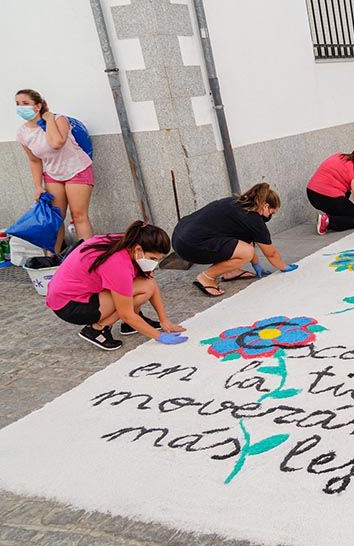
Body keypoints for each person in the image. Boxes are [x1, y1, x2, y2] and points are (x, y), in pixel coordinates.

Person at [45, 221, 187, 350]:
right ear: (138, 250)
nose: (155, 263)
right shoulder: (118, 264)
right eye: (153, 259)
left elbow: (150, 280)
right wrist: (158, 336)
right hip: (70, 305)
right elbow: (126, 314)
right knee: (142, 291)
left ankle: (133, 324)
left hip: (71, 293)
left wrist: (164, 321)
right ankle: (97, 329)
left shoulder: (128, 241)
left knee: (146, 283)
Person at [171, 183, 297, 297]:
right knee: (246, 252)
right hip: (190, 245)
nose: (270, 216)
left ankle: (230, 272)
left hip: (180, 236)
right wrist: (283, 266)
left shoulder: (236, 203)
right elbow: (271, 253)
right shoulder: (253, 219)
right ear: (265, 206)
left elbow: (245, 239)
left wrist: (256, 264)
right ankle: (207, 277)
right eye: (272, 212)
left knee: (243, 248)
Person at [15, 89, 94, 253]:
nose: (20, 107)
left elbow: (57, 142)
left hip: (76, 169)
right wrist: (38, 186)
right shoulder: (22, 133)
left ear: (37, 106)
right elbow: (34, 160)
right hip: (53, 174)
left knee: (79, 215)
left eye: (25, 103)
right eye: (17, 104)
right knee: (55, 219)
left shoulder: (59, 119)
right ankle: (54, 259)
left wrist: (49, 119)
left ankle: (88, 258)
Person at [308, 144, 354, 234]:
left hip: (311, 193)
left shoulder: (340, 156)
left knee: (347, 193)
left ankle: (331, 216)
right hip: (326, 197)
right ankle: (327, 221)